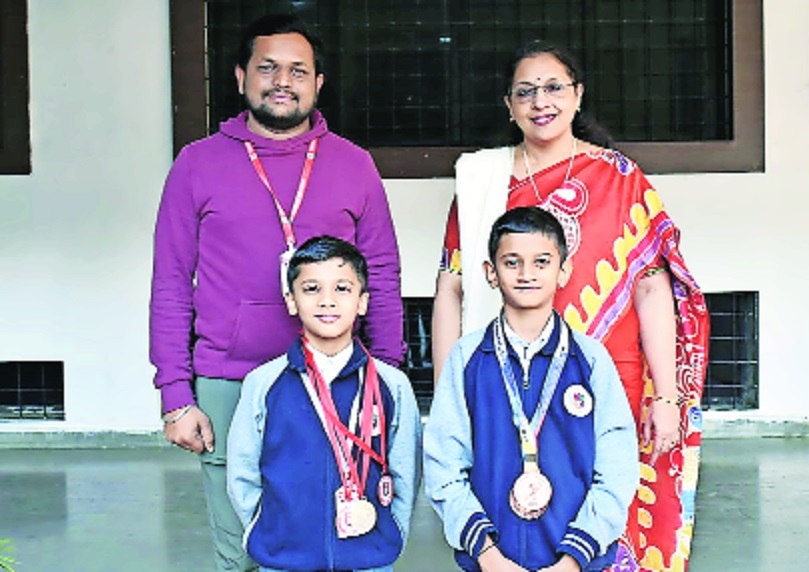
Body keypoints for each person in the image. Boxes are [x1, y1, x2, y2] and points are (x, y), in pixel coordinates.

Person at [431, 40, 709, 571]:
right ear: (508, 105)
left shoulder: (620, 178)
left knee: (604, 510)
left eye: (554, 87)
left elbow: (651, 290)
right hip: (502, 384)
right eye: (526, 91)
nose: (541, 101)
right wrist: (453, 394)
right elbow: (452, 289)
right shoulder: (482, 182)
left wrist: (668, 396)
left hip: (606, 379)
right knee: (505, 514)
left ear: (578, 95)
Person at [149, 13, 405, 571]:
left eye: (298, 70)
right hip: (229, 380)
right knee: (240, 547)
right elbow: (170, 282)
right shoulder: (197, 163)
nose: (282, 81)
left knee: (335, 540)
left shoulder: (354, 164)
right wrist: (176, 393)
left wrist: (384, 373)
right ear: (242, 77)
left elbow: (381, 274)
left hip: (338, 380)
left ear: (318, 84)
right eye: (267, 68)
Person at [424, 207, 638, 572]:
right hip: (490, 562)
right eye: (512, 262)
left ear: (564, 271)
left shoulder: (589, 359)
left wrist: (574, 559)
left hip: (576, 561)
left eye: (541, 262)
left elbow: (617, 470)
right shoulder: (467, 357)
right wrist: (488, 557)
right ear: (491, 273)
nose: (526, 274)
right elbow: (444, 466)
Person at [227, 236, 421, 572]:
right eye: (312, 288)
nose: (327, 301)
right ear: (291, 300)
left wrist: (393, 532)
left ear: (362, 301)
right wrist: (267, 530)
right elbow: (242, 472)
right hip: (284, 560)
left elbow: (406, 470)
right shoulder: (264, 383)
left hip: (369, 559)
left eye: (343, 289)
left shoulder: (391, 384)